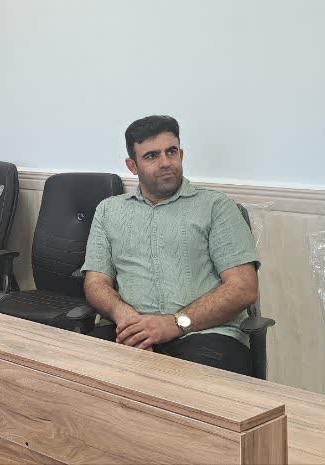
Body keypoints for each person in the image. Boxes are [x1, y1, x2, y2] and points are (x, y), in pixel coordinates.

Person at [82, 115, 260, 376]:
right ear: (132, 166)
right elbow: (95, 282)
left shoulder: (216, 207)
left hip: (205, 334)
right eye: (151, 156)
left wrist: (174, 323)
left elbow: (243, 287)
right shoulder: (109, 211)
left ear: (181, 154)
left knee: (183, 387)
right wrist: (124, 316)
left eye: (171, 152)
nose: (165, 162)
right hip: (131, 331)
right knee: (77, 374)